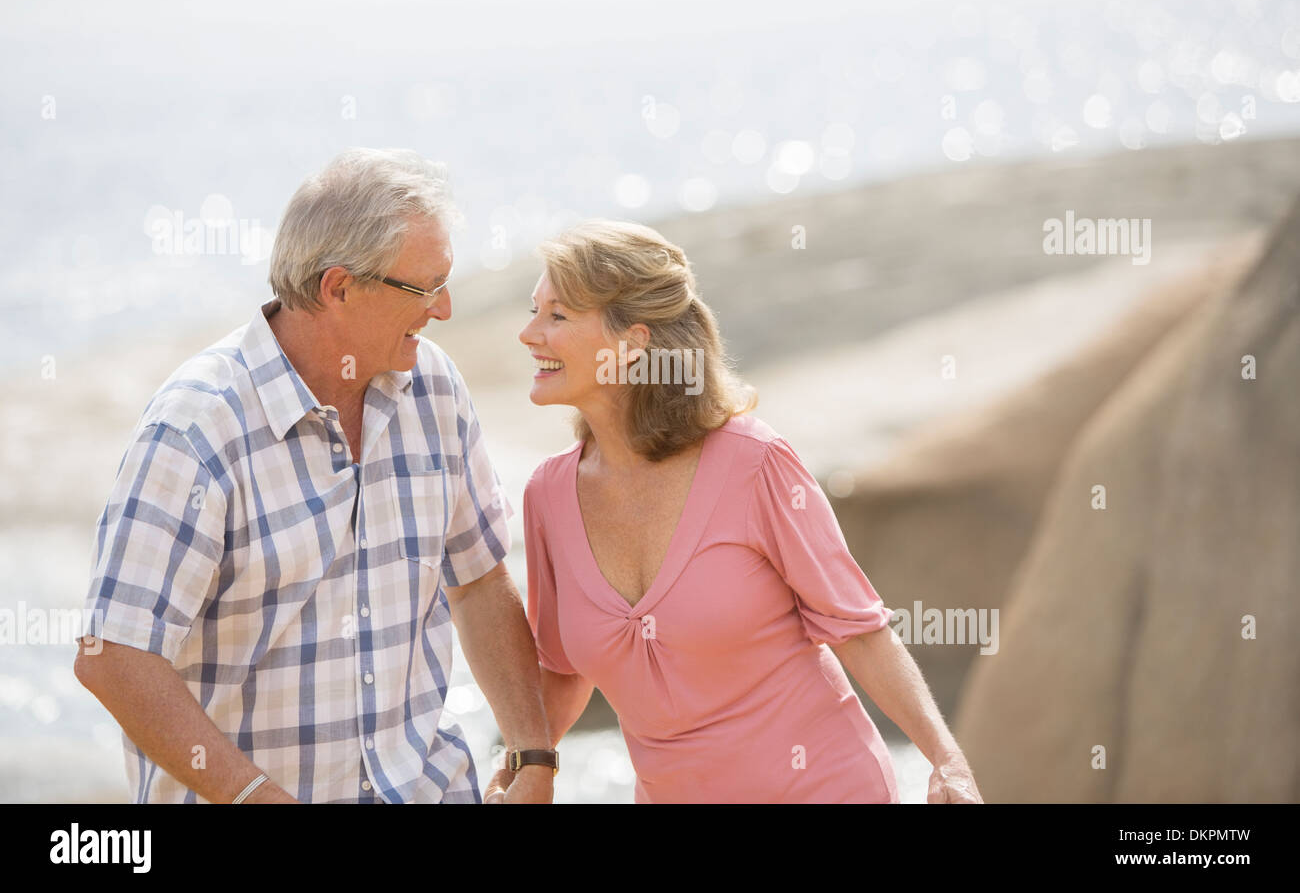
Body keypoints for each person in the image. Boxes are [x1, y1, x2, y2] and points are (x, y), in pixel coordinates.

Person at [74, 148, 556, 803]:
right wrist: (253, 797)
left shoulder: (434, 387)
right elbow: (114, 655)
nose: (444, 308)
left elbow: (476, 580)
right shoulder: (197, 430)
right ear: (338, 287)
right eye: (424, 287)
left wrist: (533, 753)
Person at [502, 218, 982, 803]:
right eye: (534, 310)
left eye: (557, 316)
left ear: (633, 341)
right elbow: (562, 669)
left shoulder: (754, 464)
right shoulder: (548, 496)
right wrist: (527, 766)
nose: (529, 333)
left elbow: (858, 627)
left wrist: (946, 759)